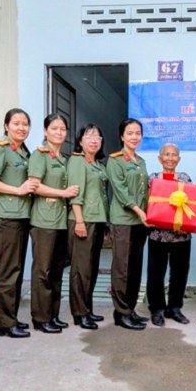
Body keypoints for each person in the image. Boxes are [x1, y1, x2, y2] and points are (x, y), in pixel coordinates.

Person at [0, 108, 36, 338]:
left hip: (21, 217)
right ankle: (5, 323)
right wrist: (17, 190)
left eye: (25, 124)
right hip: (6, 218)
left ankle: (11, 317)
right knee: (7, 271)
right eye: (16, 123)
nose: (21, 128)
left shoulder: (23, 151)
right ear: (6, 126)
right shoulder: (1, 150)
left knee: (16, 269)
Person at [28, 113, 79, 334]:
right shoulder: (40, 155)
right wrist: (63, 193)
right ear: (45, 131)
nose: (59, 132)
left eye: (62, 129)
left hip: (60, 221)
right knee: (43, 270)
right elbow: (35, 185)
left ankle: (53, 315)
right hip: (44, 221)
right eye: (54, 128)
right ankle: (40, 317)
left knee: (57, 270)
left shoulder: (64, 159)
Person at [107, 118, 150, 331]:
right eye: (130, 133)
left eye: (138, 133)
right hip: (123, 220)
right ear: (122, 136)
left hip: (140, 222)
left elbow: (145, 191)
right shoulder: (115, 160)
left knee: (134, 267)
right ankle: (121, 313)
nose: (134, 137)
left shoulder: (140, 161)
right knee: (121, 268)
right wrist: (140, 211)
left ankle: (130, 309)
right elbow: (121, 191)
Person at [145, 143, 193, 327]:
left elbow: (192, 204)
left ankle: (174, 308)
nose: (170, 158)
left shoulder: (185, 179)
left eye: (174, 155)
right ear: (160, 158)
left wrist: (187, 224)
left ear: (179, 159)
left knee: (179, 273)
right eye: (166, 154)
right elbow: (147, 202)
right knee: (156, 273)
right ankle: (157, 309)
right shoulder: (152, 179)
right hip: (158, 234)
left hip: (181, 235)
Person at [67, 124, 109, 330]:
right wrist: (79, 221)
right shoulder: (77, 161)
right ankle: (80, 313)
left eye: (97, 136)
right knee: (80, 269)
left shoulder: (99, 165)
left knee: (91, 268)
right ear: (80, 141)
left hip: (97, 219)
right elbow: (75, 193)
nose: (93, 140)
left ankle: (87, 309)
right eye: (88, 136)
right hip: (82, 220)